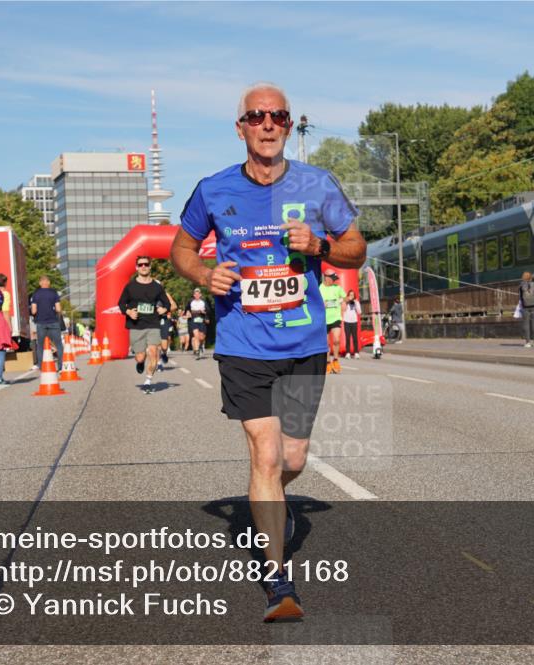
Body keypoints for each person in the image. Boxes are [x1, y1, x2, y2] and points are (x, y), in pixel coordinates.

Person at [171, 82, 366, 622]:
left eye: (278, 116)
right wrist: (205, 274)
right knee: (266, 454)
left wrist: (321, 245)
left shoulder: (318, 183)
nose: (268, 125)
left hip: (304, 343)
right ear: (241, 129)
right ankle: (278, 579)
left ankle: (267, 502)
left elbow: (357, 249)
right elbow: (181, 248)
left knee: (293, 459)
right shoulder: (213, 190)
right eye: (257, 116)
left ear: (288, 124)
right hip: (244, 343)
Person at [117, 256, 168, 391]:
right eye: (140, 265)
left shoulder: (157, 287)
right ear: (137, 268)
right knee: (140, 357)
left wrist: (164, 309)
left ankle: (148, 381)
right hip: (136, 325)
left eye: (146, 264)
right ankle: (140, 363)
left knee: (153, 352)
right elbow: (121, 304)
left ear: (150, 267)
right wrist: (129, 312)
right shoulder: (130, 286)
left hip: (153, 324)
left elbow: (167, 303)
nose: (143, 267)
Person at [30, 276, 63, 372]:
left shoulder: (36, 294)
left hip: (41, 323)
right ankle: (61, 367)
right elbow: (58, 309)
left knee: (40, 345)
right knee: (58, 344)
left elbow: (33, 311)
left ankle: (41, 366)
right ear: (49, 283)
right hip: (53, 322)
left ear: (40, 283)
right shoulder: (54, 293)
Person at [319, 271, 345, 373]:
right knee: (326, 343)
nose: (334, 281)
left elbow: (345, 297)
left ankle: (335, 360)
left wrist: (343, 301)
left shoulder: (337, 288)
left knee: (336, 340)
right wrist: (321, 304)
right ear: (326, 277)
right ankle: (328, 362)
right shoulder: (319, 288)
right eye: (333, 278)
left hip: (336, 317)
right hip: (324, 319)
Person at [519, 272, 534, 348]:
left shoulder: (521, 285)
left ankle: (527, 342)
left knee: (526, 324)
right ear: (531, 277)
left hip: (525, 307)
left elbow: (520, 297)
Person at [188, 288, 209, 359]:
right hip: (194, 320)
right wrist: (188, 313)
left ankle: (201, 346)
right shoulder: (191, 302)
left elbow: (208, 311)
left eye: (198, 294)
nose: (197, 295)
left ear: (200, 295)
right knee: (196, 336)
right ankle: (197, 352)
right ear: (194, 295)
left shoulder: (203, 302)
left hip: (202, 320)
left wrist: (206, 316)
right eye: (195, 294)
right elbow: (188, 310)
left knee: (202, 337)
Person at [158, 291, 177, 370]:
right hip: (152, 320)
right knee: (155, 344)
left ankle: (164, 353)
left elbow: (174, 306)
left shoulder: (165, 294)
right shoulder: (147, 293)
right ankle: (159, 363)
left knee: (164, 346)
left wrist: (165, 310)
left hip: (163, 319)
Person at [342, 290, 362, 359]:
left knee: (355, 337)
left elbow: (359, 312)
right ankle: (348, 353)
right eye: (350, 295)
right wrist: (346, 301)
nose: (351, 296)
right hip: (347, 321)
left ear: (354, 296)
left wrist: (356, 303)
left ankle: (356, 352)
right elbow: (342, 309)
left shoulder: (356, 302)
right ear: (348, 296)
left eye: (352, 295)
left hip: (354, 322)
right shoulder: (345, 302)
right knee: (347, 338)